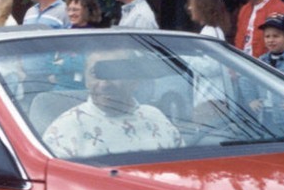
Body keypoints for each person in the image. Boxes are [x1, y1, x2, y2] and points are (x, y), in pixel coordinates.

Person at [43, 49, 182, 158]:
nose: (104, 84)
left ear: (135, 80)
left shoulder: (156, 118)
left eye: (114, 72)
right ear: (85, 79)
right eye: (95, 73)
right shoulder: (65, 130)